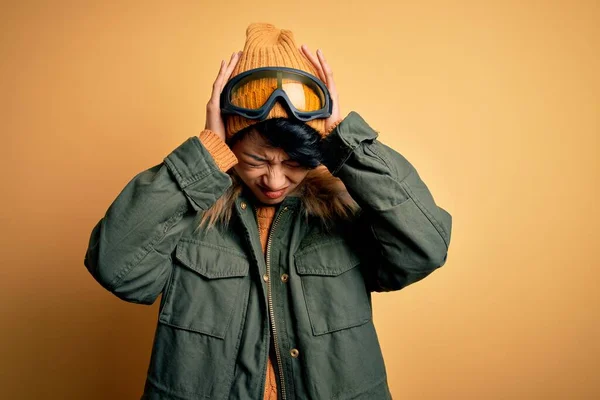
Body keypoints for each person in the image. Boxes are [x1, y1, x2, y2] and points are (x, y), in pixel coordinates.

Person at [84, 22, 452, 400]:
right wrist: (204, 154)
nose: (274, 180)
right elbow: (114, 267)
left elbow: (425, 248)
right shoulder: (190, 216)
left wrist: (348, 142)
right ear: (229, 143)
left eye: (293, 162)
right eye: (256, 159)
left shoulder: (343, 213)